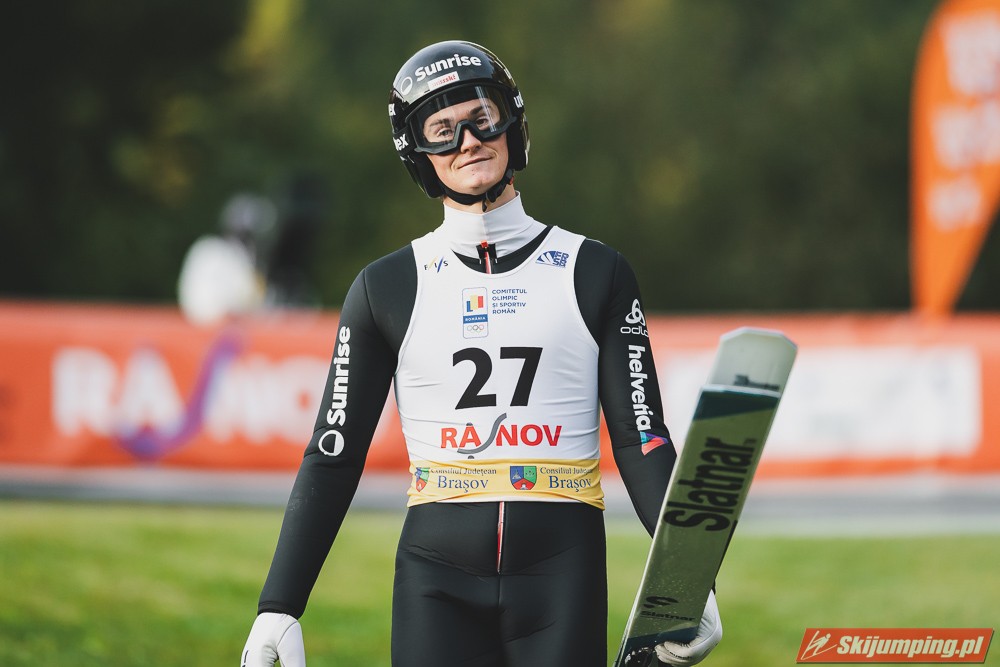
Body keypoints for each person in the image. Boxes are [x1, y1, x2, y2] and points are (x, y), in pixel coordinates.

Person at [241, 40, 722, 667]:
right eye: (442, 130)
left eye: (482, 118)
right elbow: (333, 453)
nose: (468, 141)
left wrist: (690, 577)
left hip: (561, 574)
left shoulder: (596, 271)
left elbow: (641, 438)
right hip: (434, 579)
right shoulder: (385, 286)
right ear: (417, 152)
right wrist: (279, 604)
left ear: (512, 123)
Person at [177, 192, 275, 326]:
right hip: (219, 328)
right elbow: (251, 300)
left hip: (195, 322)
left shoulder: (205, 246)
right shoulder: (235, 256)